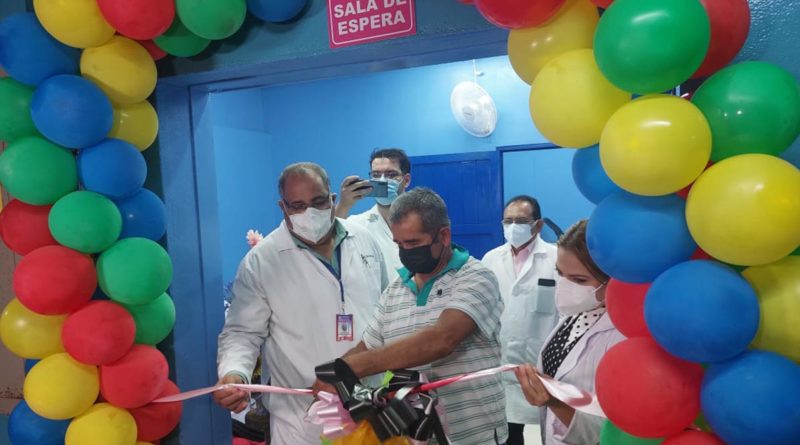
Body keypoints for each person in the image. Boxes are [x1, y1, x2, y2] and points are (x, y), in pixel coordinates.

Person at [214, 162, 388, 445]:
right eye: (298, 205)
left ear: (332, 199)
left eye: (318, 201)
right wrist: (235, 373)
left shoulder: (365, 242)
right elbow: (242, 333)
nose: (310, 212)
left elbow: (385, 310)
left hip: (371, 406)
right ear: (283, 207)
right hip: (301, 420)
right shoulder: (262, 262)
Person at [322, 187, 508, 445]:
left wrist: (353, 368)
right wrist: (333, 375)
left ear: (443, 235)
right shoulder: (395, 289)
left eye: (413, 244)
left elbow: (441, 339)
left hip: (473, 436)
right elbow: (367, 345)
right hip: (414, 436)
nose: (405, 252)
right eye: (399, 244)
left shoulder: (476, 277)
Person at [514, 220, 624, 445]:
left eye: (579, 280)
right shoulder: (576, 314)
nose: (566, 286)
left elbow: (615, 431)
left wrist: (554, 401)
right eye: (560, 274)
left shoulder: (621, 336)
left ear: (612, 279)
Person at [481, 195, 558, 445]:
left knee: (551, 429)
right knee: (508, 433)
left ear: (538, 225)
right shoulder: (490, 259)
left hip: (542, 364)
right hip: (502, 362)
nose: (513, 227)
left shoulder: (556, 258)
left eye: (521, 221)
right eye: (508, 221)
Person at [335, 148, 411, 280]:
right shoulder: (358, 224)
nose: (382, 180)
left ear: (406, 180)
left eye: (391, 174)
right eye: (376, 175)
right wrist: (343, 205)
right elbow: (329, 239)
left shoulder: (422, 221)